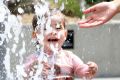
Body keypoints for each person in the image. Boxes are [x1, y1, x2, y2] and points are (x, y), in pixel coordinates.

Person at [23, 11, 98, 80]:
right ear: (35, 35)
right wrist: (33, 67)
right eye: (46, 28)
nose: (53, 32)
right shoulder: (34, 58)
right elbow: (23, 74)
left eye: (58, 27)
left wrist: (89, 70)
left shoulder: (69, 57)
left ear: (65, 34)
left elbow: (83, 73)